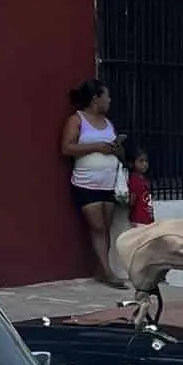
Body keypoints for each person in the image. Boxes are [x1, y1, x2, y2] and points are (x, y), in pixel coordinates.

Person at [61, 79, 122, 282]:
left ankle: (101, 270)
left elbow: (113, 148)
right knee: (97, 227)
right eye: (107, 96)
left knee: (106, 227)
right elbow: (67, 147)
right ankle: (108, 273)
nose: (110, 100)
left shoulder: (108, 123)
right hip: (87, 183)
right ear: (96, 99)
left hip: (109, 184)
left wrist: (116, 148)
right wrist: (97, 146)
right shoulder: (77, 120)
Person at [124, 141, 155, 226]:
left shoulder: (142, 178)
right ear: (131, 163)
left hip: (146, 217)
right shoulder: (135, 179)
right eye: (141, 161)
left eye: (146, 161)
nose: (145, 164)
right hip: (139, 219)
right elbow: (132, 201)